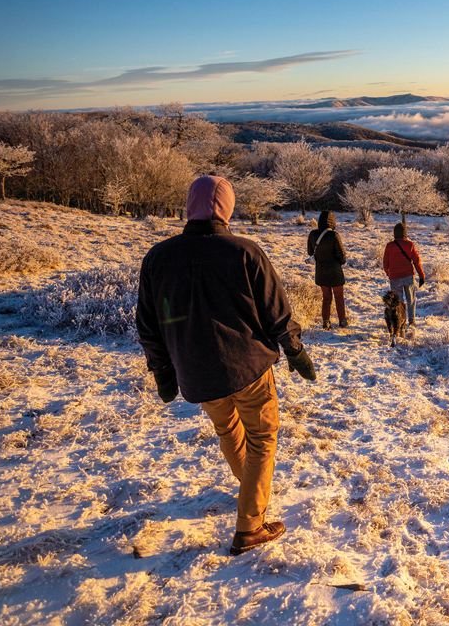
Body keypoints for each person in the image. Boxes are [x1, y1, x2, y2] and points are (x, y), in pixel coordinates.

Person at [136, 175, 316, 557]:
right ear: (227, 208)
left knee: (228, 430)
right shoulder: (245, 252)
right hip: (248, 366)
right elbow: (276, 312)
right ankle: (250, 527)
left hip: (197, 370)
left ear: (190, 206)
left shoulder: (158, 258)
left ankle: (251, 489)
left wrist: (163, 370)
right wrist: (295, 351)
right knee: (262, 438)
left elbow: (151, 324)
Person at [307, 210, 349, 329]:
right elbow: (342, 256)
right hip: (335, 271)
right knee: (339, 297)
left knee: (326, 297)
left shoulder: (312, 234)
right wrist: (340, 262)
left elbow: (310, 252)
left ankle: (326, 321)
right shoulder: (334, 235)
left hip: (321, 271)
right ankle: (342, 321)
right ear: (332, 222)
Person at [383, 222, 425, 328]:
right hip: (408, 276)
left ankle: (400, 323)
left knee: (398, 302)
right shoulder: (410, 245)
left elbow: (385, 262)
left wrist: (388, 272)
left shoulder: (389, 246)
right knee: (411, 300)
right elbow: (417, 262)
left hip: (395, 278)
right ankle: (412, 321)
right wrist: (421, 276)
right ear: (405, 233)